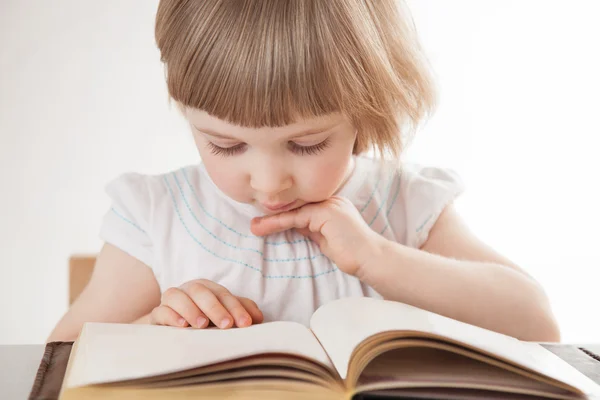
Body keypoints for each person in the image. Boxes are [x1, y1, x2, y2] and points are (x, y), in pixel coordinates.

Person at [48, 0, 560, 342]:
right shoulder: (159, 217)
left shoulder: (403, 205)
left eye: (307, 143)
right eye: (226, 145)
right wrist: (152, 333)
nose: (269, 182)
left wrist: (378, 257)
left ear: (366, 111)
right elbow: (57, 366)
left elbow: (538, 324)